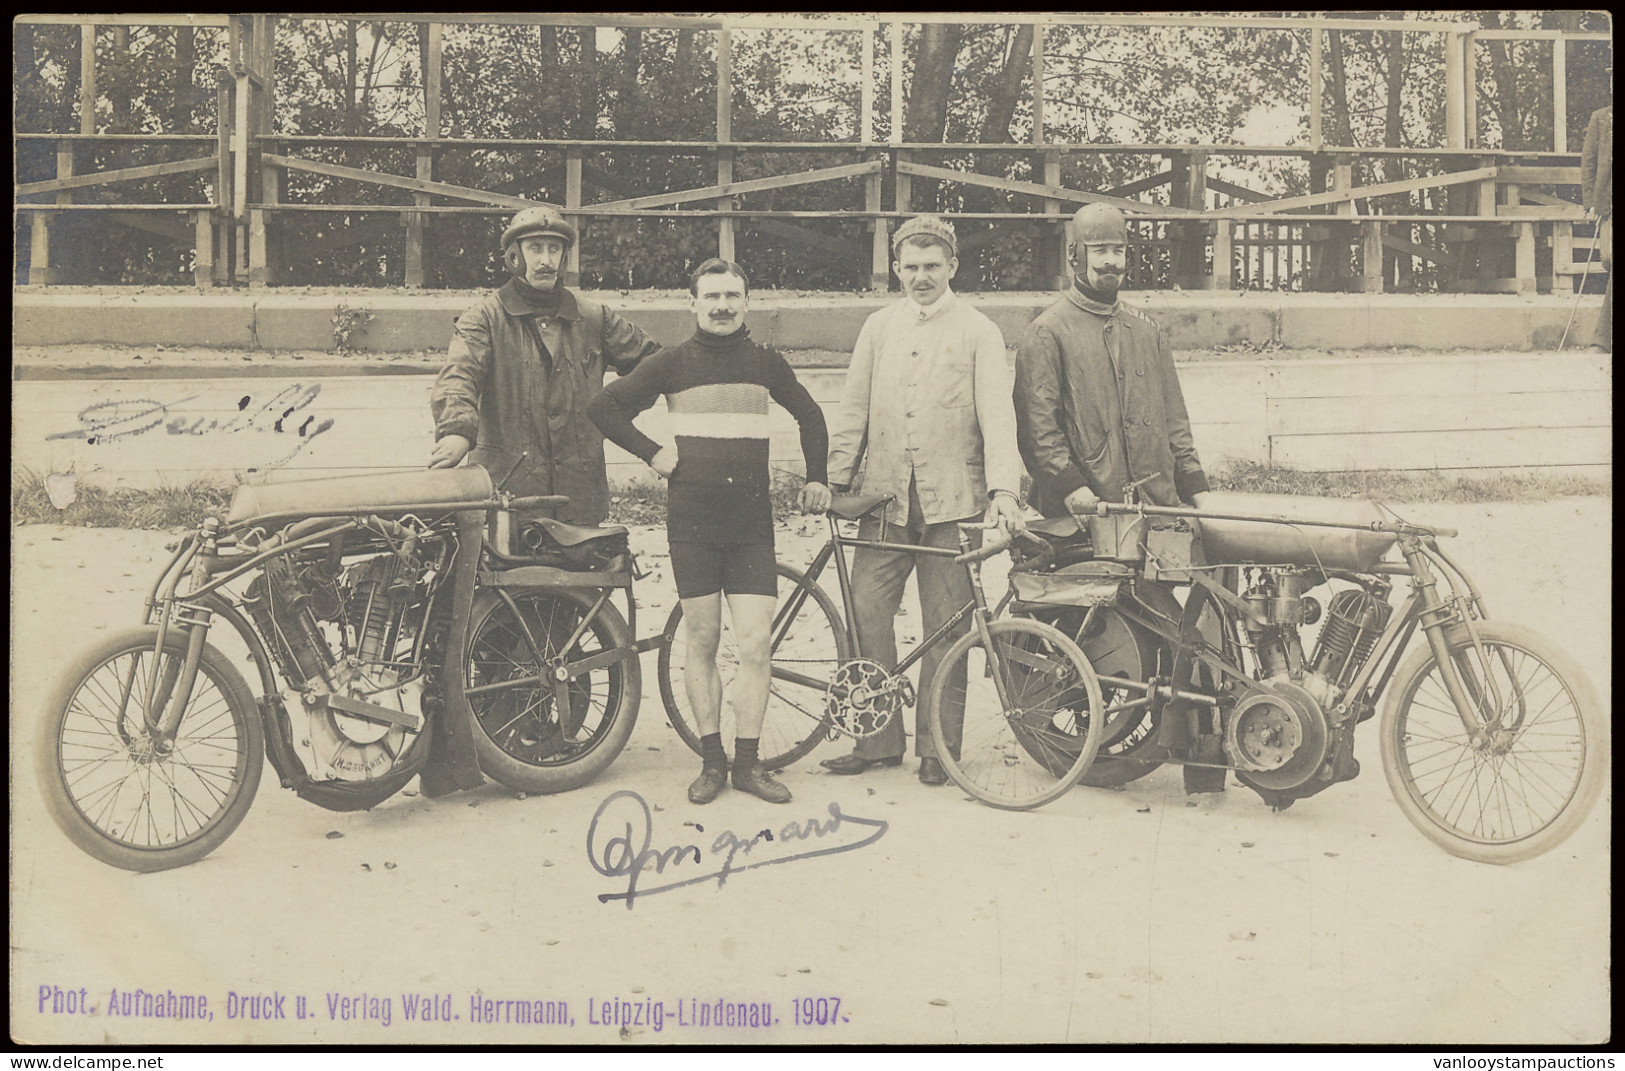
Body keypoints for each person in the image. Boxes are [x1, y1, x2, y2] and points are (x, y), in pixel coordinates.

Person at [588, 259, 832, 805]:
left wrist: (818, 477)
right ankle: (712, 762)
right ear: (692, 303)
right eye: (712, 297)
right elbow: (603, 406)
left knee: (755, 646)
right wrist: (652, 453)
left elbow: (811, 416)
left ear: (747, 302)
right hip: (692, 525)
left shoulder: (766, 363)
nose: (722, 306)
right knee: (701, 642)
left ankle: (748, 766)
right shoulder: (670, 364)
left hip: (751, 526)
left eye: (732, 296)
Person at [1012, 201, 1218, 790]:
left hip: (1154, 506)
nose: (1110, 262)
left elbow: (1176, 422)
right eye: (1099, 251)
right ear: (1075, 256)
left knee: (1212, 614)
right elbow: (1038, 428)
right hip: (1086, 516)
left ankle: (1208, 764)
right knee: (1153, 623)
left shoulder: (1147, 331)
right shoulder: (1047, 332)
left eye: (1119, 251)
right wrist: (1073, 489)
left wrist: (1196, 490)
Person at [821, 216, 1025, 786]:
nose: (920, 277)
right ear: (896, 268)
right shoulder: (878, 327)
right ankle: (876, 739)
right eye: (910, 267)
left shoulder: (979, 331)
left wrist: (1004, 491)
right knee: (865, 610)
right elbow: (854, 409)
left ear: (953, 267)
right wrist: (836, 483)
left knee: (947, 625)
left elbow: (998, 419)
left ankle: (939, 748)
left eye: (932, 266)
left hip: (952, 504)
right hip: (884, 502)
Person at [429, 204, 662, 524]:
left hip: (580, 496)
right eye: (535, 248)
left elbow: (653, 364)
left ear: (565, 257)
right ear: (515, 255)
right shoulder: (484, 317)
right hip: (506, 493)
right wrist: (457, 431)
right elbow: (459, 376)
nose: (545, 260)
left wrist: (613, 411)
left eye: (555, 249)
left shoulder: (595, 317)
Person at [1580, 101, 1611, 353]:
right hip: (1611, 203)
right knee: (1611, 261)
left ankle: (1602, 339)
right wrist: (1591, 201)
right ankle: (1602, 338)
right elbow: (1588, 162)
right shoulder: (1601, 118)